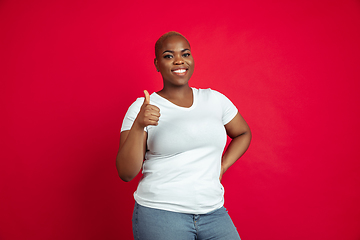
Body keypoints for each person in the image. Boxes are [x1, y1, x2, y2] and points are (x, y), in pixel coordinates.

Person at [116, 31, 251, 240]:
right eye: (169, 55)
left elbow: (243, 133)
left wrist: (222, 166)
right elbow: (126, 173)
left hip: (213, 212)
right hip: (160, 213)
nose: (179, 60)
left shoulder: (215, 100)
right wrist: (138, 125)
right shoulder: (142, 107)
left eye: (185, 54)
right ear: (157, 63)